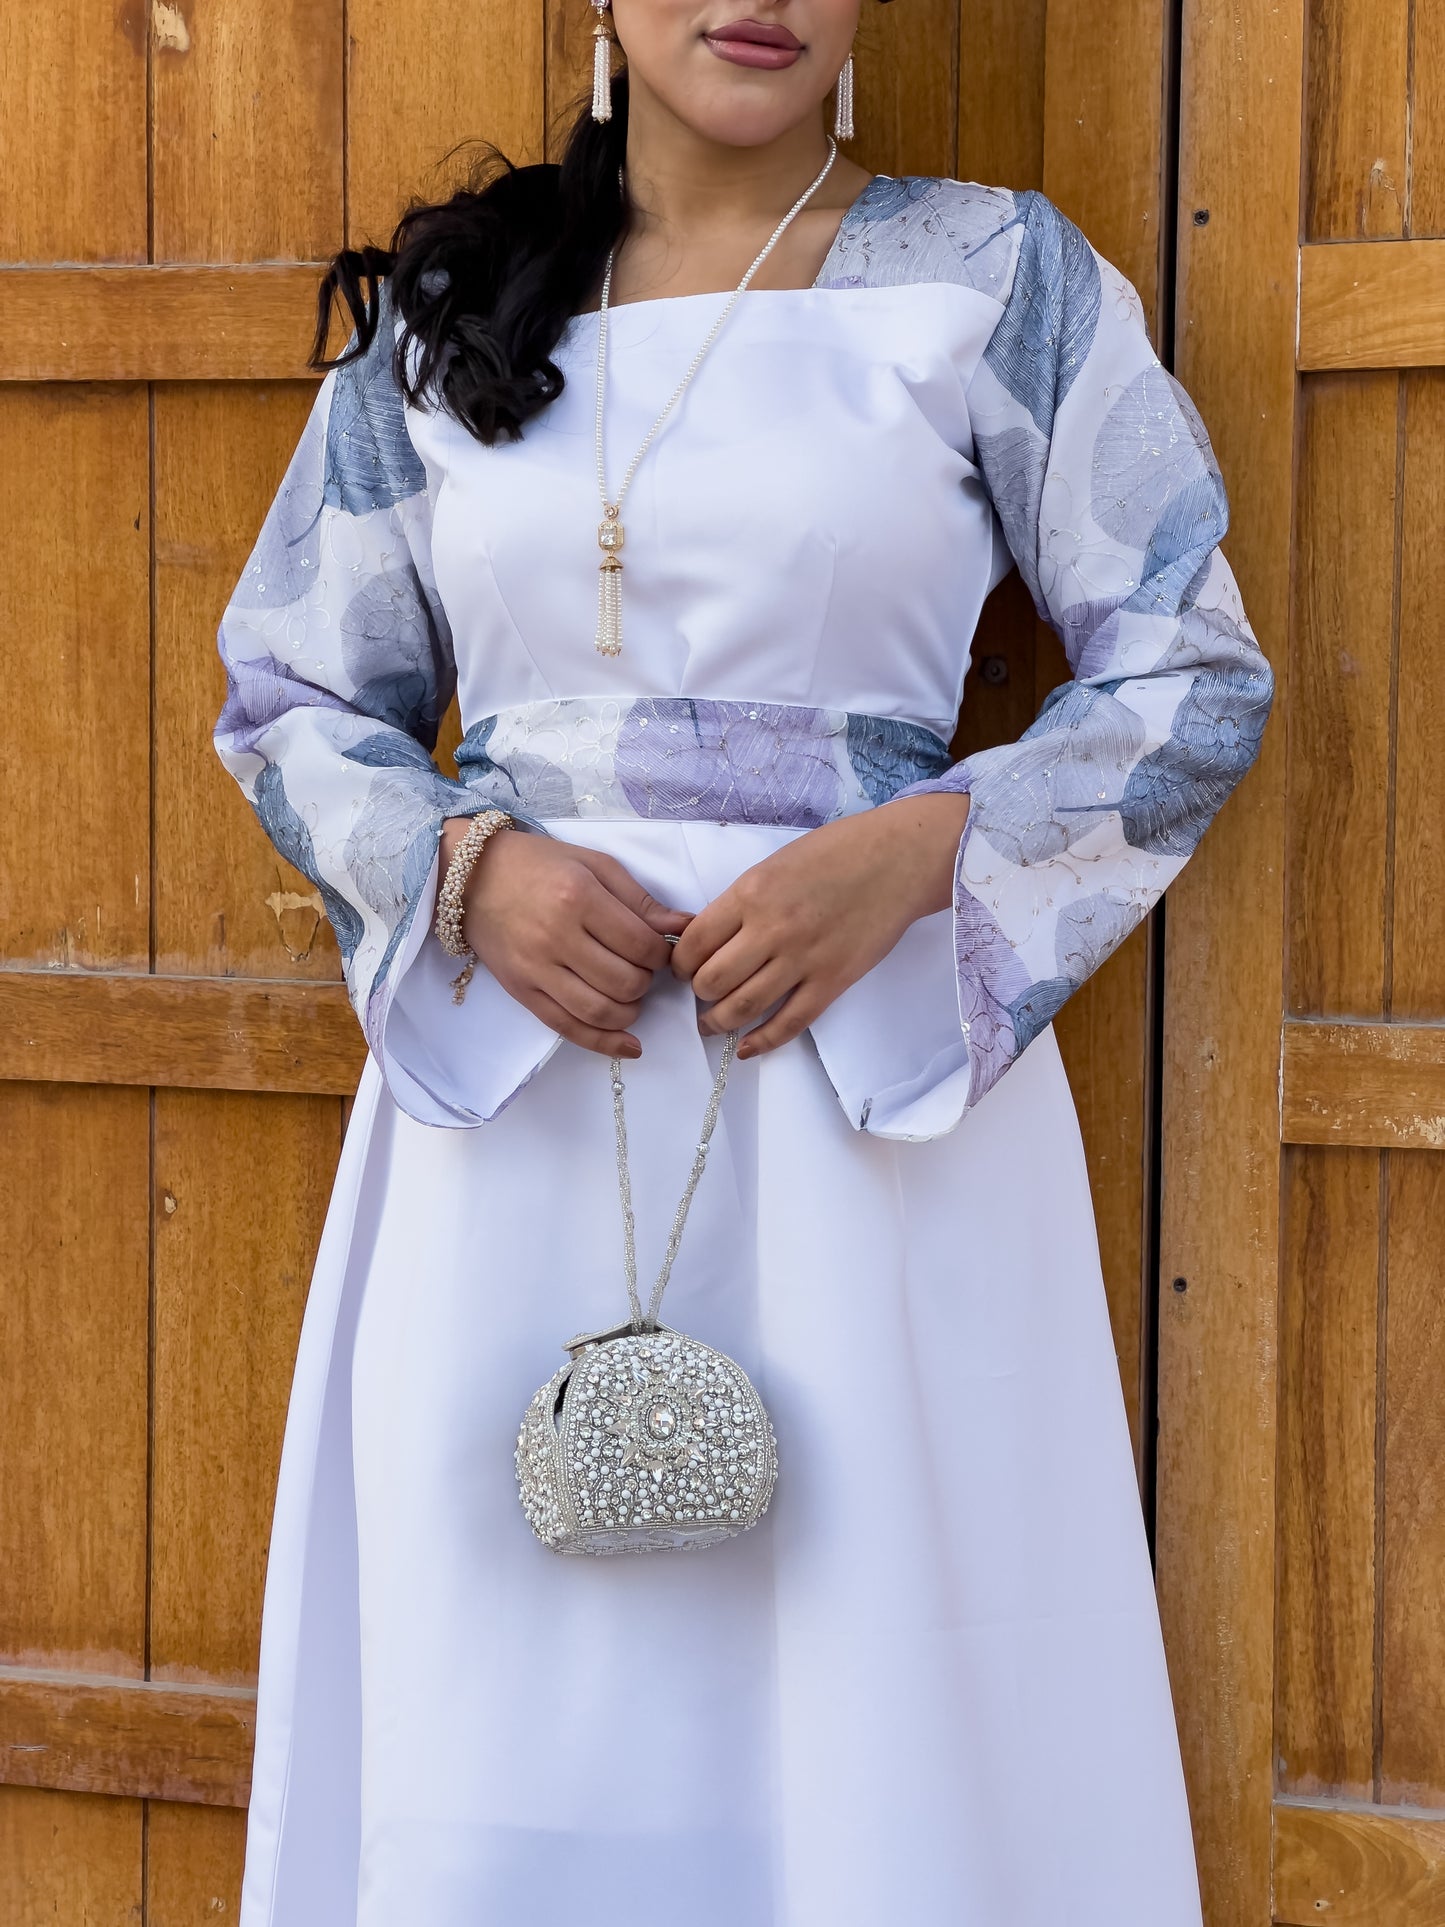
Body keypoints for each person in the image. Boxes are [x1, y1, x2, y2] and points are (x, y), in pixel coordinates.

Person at [214, 2, 1273, 1921]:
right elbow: (285, 690)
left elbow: (1190, 670)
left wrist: (920, 846)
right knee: (510, 1679)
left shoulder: (994, 278)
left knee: (875, 1667)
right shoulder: (448, 318)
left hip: (871, 1097)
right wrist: (469, 868)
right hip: (526, 1088)